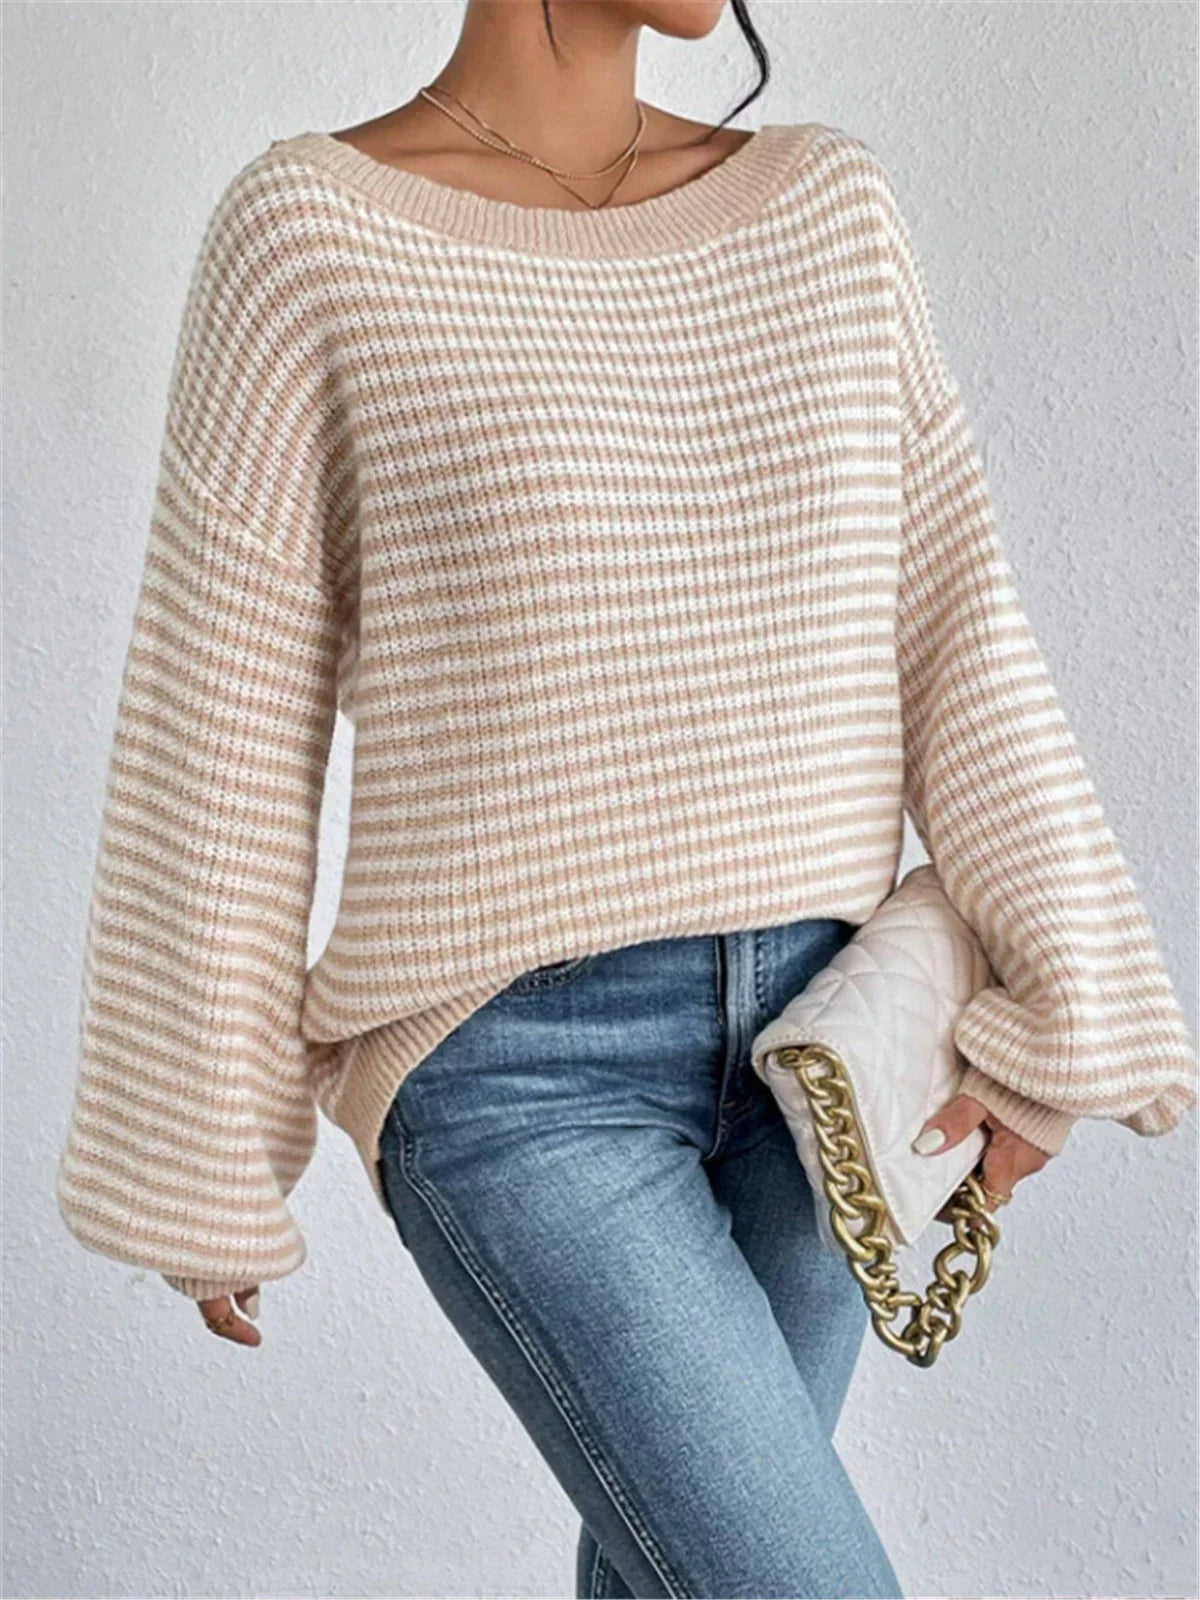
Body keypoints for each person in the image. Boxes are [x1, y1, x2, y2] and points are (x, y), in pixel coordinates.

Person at [55, 1, 1197, 1595]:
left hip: (831, 1049)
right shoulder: (308, 234)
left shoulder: (827, 207)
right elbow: (222, 710)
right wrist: (203, 1141)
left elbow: (955, 622)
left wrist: (1068, 998)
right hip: (515, 1079)